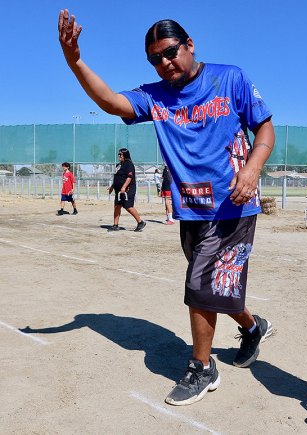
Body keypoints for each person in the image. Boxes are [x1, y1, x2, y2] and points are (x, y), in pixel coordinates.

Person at [58, 10, 275, 406]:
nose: (165, 63)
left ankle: (201, 368)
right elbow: (111, 102)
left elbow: (264, 127)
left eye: (170, 52)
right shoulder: (156, 96)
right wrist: (75, 60)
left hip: (234, 203)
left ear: (190, 45)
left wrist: (253, 169)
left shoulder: (229, 78)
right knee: (213, 286)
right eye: (155, 58)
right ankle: (253, 326)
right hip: (191, 209)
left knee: (199, 284)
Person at [107, 148, 146, 232]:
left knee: (128, 206)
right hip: (119, 190)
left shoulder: (129, 164)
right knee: (117, 206)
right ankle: (115, 225)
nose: (119, 156)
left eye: (120, 154)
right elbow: (116, 177)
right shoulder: (118, 165)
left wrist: (124, 187)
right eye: (119, 154)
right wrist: (112, 187)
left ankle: (140, 222)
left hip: (128, 189)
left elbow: (129, 177)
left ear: (125, 155)